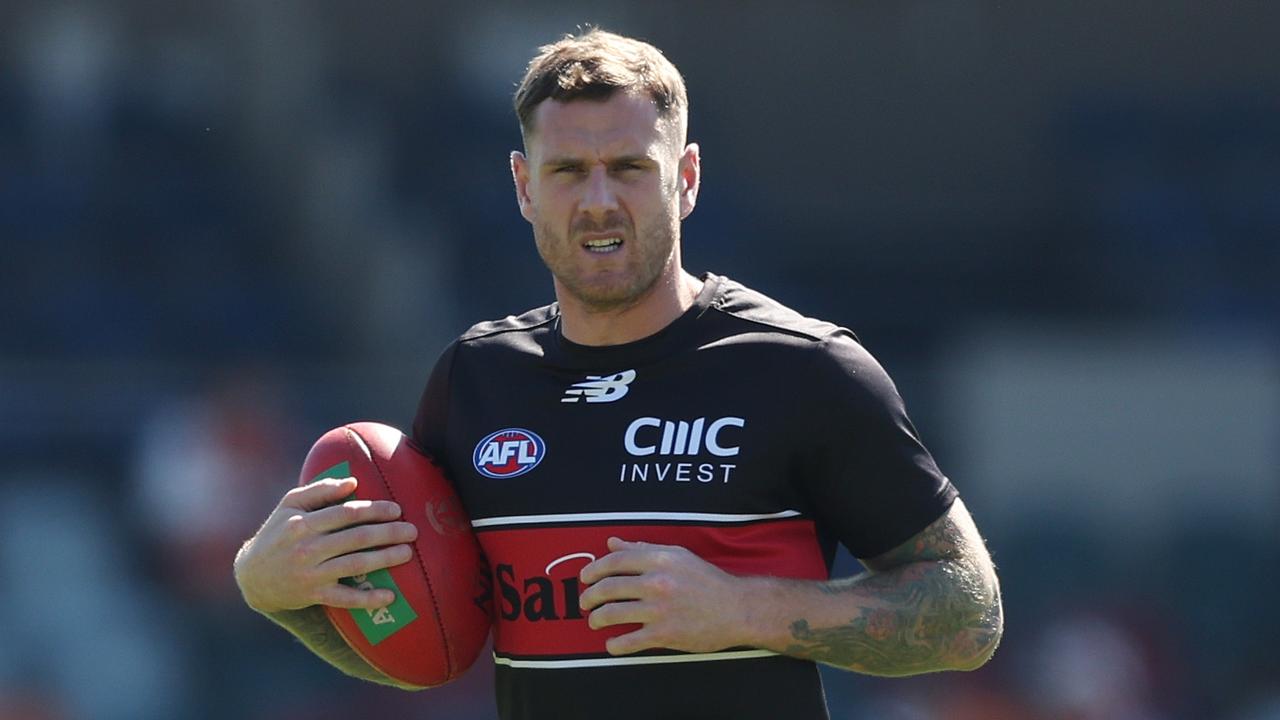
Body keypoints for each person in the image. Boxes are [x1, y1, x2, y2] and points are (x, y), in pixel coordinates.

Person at [233, 28, 1003, 720]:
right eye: (567, 171)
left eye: (630, 168)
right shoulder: (475, 380)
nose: (598, 201)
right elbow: (428, 650)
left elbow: (968, 614)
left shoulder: (804, 368)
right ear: (524, 187)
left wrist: (743, 610)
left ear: (687, 177)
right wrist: (272, 592)